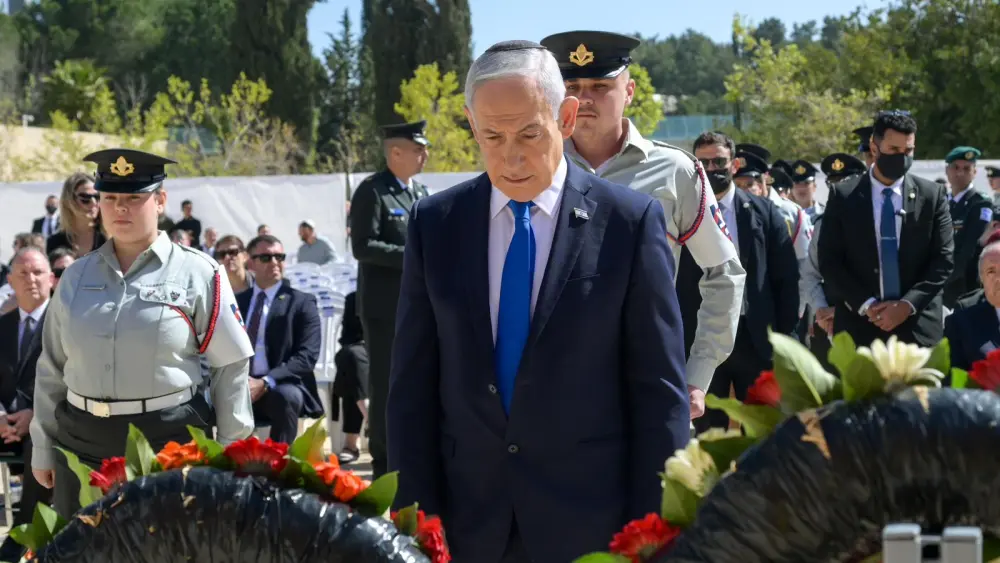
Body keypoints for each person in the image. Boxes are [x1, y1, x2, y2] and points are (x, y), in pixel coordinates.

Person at [387, 40, 689, 563]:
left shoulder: (629, 223)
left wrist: (653, 534)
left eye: (530, 133)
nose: (511, 157)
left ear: (566, 117)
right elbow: (411, 388)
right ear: (470, 123)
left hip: (592, 525)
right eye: (491, 136)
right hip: (468, 524)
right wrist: (415, 526)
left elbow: (659, 393)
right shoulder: (435, 225)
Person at [30, 149, 255, 519]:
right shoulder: (75, 277)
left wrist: (231, 453)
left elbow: (230, 366)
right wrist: (42, 446)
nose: (121, 208)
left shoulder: (199, 273)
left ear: (161, 200)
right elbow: (52, 368)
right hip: (82, 443)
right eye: (110, 198)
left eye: (135, 197)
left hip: (167, 443)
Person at [540, 31, 744, 413]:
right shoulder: (538, 169)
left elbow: (724, 272)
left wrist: (697, 373)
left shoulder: (675, 170)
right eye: (572, 85)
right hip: (552, 384)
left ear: (629, 91)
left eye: (600, 86)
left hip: (646, 379)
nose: (584, 98)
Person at [688, 132, 799, 432]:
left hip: (756, 338)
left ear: (734, 164)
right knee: (711, 430)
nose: (712, 169)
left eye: (719, 161)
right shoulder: (683, 213)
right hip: (704, 339)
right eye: (704, 163)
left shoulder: (765, 213)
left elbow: (787, 278)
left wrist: (782, 336)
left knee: (764, 428)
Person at [818, 111, 954, 347]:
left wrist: (906, 306)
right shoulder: (844, 196)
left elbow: (943, 260)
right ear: (874, 147)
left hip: (917, 328)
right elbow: (829, 260)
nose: (901, 157)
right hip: (860, 328)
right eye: (893, 150)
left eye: (908, 151)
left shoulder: (932, 196)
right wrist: (867, 305)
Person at [349, 119, 430, 478]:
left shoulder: (420, 193)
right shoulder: (373, 192)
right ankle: (384, 460)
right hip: (385, 308)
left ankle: (415, 451)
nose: (424, 155)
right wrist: (415, 253)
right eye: (418, 149)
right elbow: (363, 246)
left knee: (421, 379)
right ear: (395, 152)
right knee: (386, 384)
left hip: (420, 305)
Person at [236, 235, 324, 443]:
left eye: (279, 256)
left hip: (279, 383)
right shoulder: (236, 302)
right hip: (238, 383)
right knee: (201, 399)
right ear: (251, 263)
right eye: (266, 257)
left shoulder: (302, 302)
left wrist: (265, 381)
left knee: (288, 397)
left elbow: (307, 357)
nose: (275, 262)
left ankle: (277, 466)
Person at [0, 248, 54, 562]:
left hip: (46, 421)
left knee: (41, 438)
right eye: (22, 273)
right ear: (10, 281)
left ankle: (20, 538)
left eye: (37, 272)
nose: (30, 279)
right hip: (5, 422)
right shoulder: (2, 326)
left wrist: (35, 413)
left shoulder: (67, 325)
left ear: (50, 278)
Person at [800, 153, 868, 368]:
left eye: (846, 182)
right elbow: (810, 274)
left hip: (867, 322)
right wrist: (820, 310)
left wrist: (845, 314)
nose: (838, 188)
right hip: (827, 325)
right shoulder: (823, 224)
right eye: (833, 183)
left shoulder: (875, 223)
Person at [942, 146, 992, 309]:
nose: (960, 173)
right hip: (942, 284)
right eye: (955, 167)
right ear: (947, 170)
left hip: (965, 286)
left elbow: (969, 250)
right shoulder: (942, 202)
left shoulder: (980, 204)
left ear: (974, 172)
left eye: (967, 168)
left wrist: (942, 279)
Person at [945, 239, 1000, 370]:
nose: (999, 278)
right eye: (991, 271)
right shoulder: (961, 323)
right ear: (982, 280)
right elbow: (953, 381)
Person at [332, 291, 368, 464]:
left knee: (351, 368)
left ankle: (351, 443)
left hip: (391, 351)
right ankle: (372, 419)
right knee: (351, 358)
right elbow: (347, 338)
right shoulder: (355, 298)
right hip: (360, 351)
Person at [46, 172, 106, 256]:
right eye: (85, 197)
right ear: (69, 201)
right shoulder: (53, 243)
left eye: (97, 197)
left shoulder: (110, 239)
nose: (93, 203)